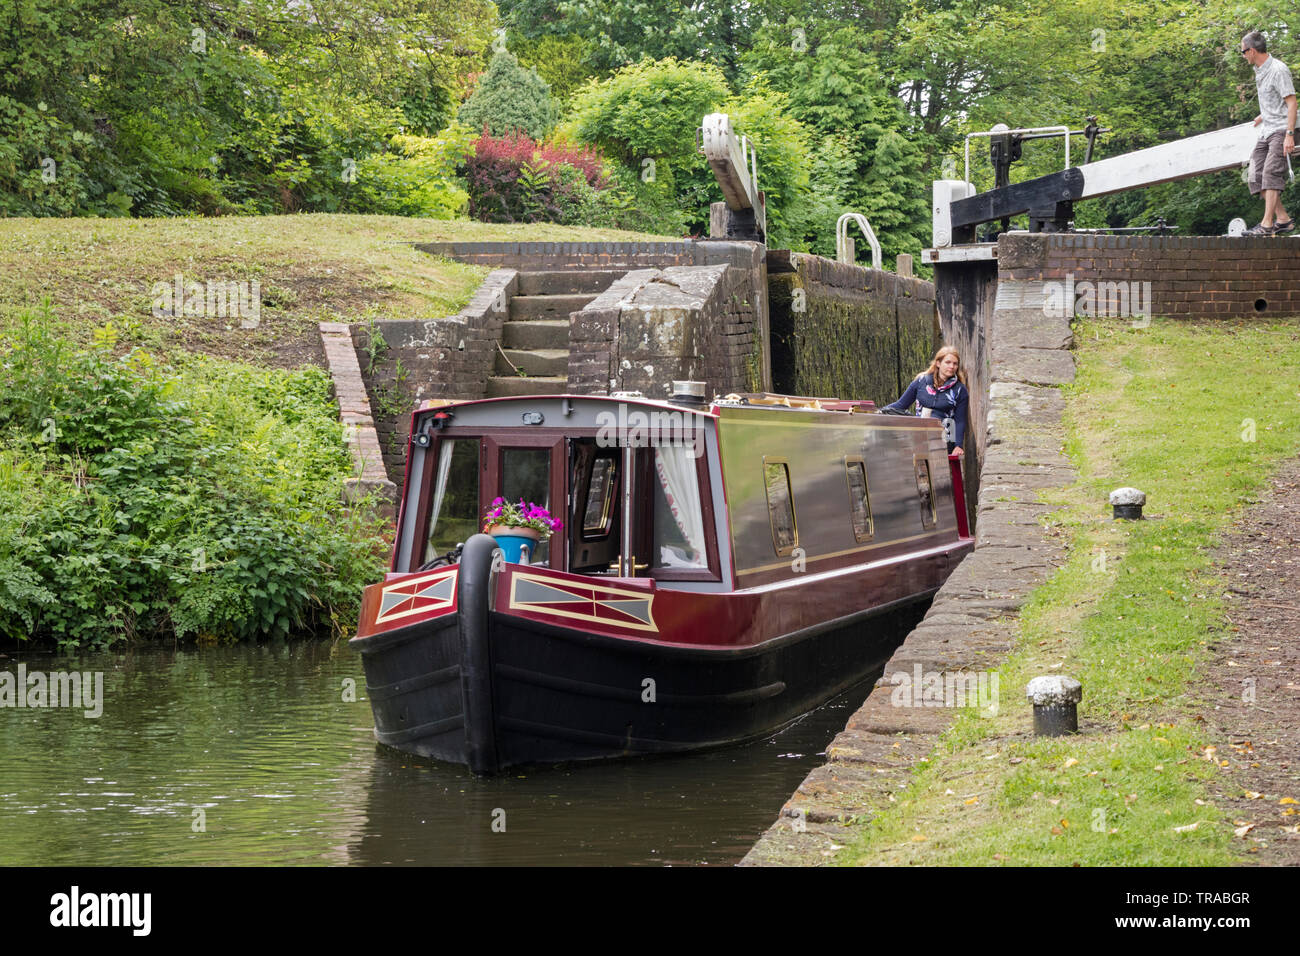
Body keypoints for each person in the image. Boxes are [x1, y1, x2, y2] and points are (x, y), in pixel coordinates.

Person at [1240, 31, 1297, 236]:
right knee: (1254, 174)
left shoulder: (1278, 69)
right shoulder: (1260, 69)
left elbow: (1291, 102)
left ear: (1252, 51)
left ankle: (1266, 225)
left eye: (1243, 52)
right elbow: (1275, 98)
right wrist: (1262, 115)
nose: (1243, 55)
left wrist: (1290, 134)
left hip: (1281, 129)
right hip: (1267, 129)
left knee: (1270, 173)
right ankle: (1283, 219)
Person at [884, 346, 968, 457]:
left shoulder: (960, 390)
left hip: (945, 438)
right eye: (948, 362)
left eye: (955, 364)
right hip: (920, 435)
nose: (952, 366)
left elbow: (960, 420)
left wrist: (958, 445)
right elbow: (900, 405)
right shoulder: (921, 381)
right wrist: (878, 412)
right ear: (938, 363)